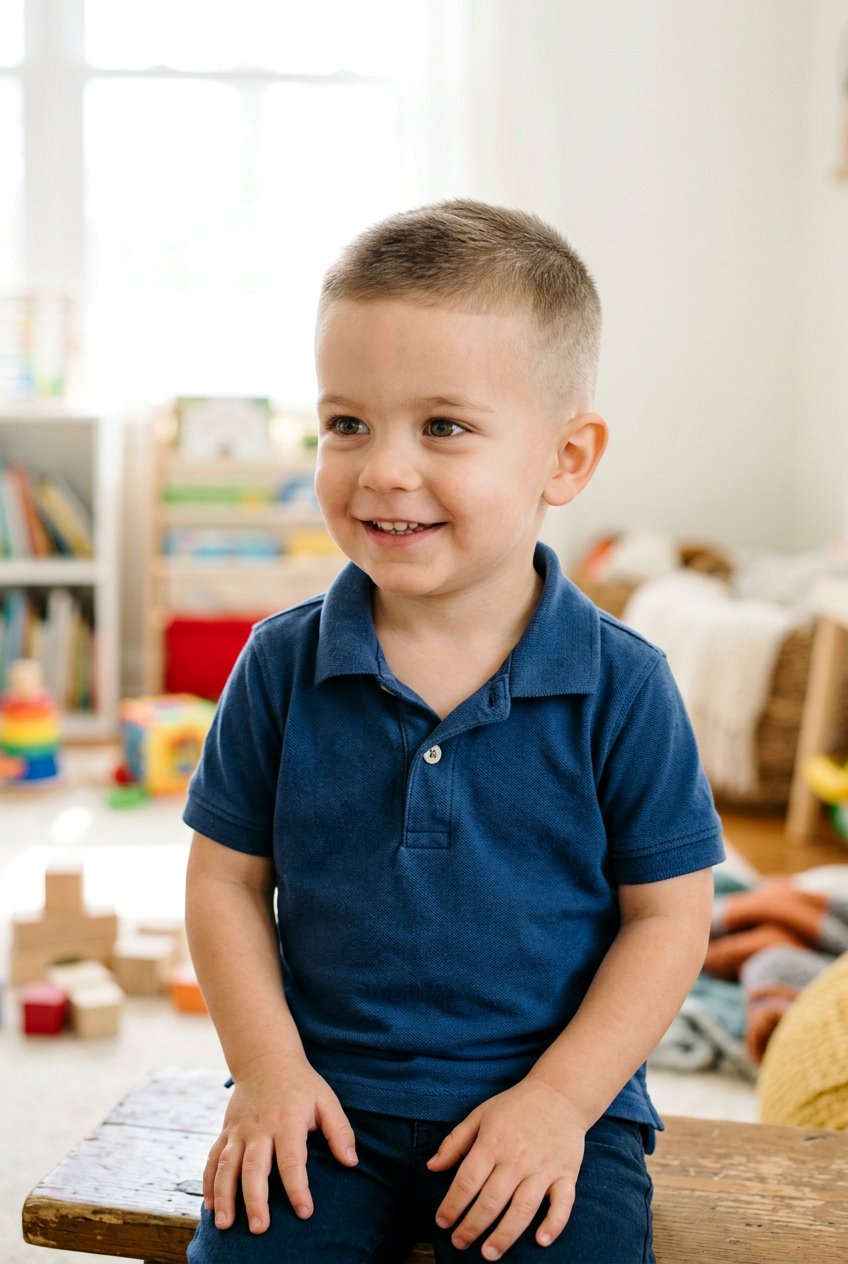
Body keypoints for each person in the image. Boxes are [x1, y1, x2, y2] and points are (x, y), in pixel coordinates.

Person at [184, 199, 724, 1264]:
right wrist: (267, 1071)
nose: (383, 468)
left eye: (441, 425)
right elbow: (223, 885)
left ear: (564, 459)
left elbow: (668, 921)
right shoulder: (280, 665)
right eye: (348, 423)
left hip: (546, 1104)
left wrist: (562, 1101)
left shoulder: (622, 683)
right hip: (321, 1097)